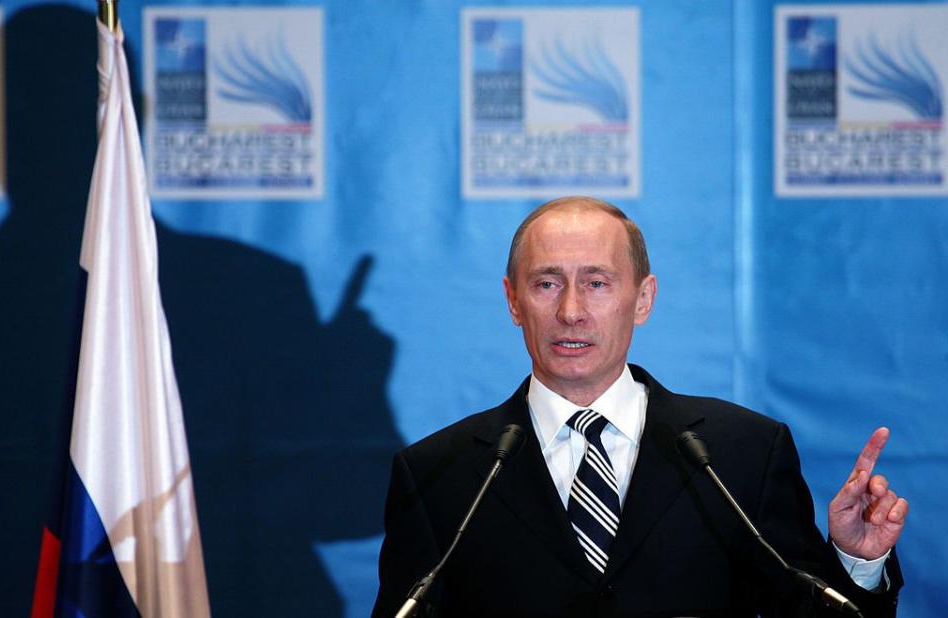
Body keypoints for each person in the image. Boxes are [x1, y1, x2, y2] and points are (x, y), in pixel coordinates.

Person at [373, 197, 907, 617]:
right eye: (546, 283)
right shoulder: (439, 475)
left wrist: (857, 564)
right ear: (514, 301)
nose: (572, 311)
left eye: (598, 283)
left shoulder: (741, 453)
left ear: (644, 299)